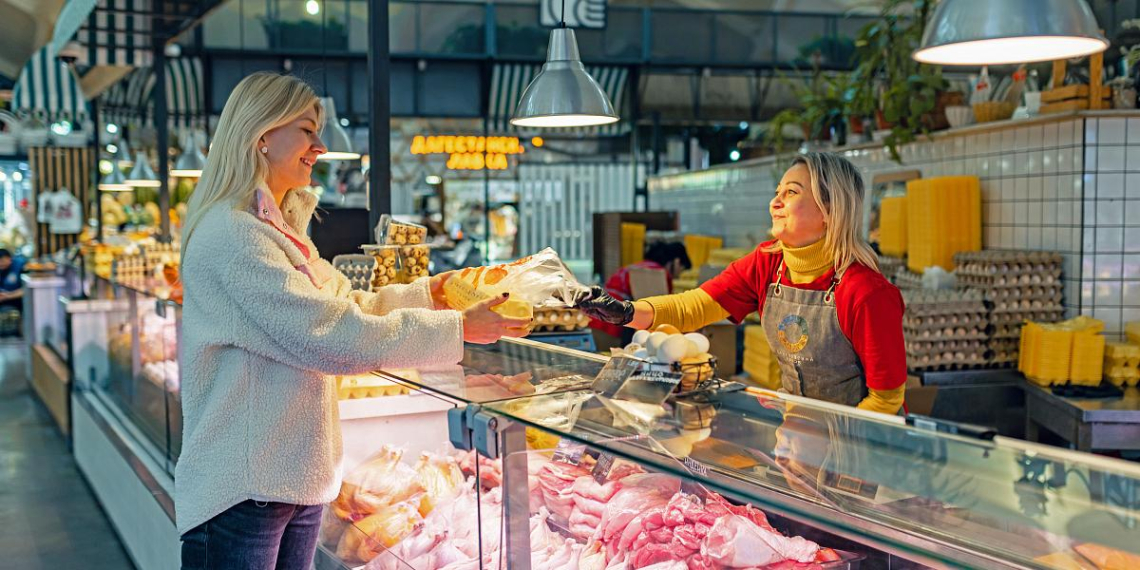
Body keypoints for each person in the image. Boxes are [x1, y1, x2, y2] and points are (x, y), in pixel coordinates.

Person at [176, 72, 530, 570]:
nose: (320, 146)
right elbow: (331, 337)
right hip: (244, 487)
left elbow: (345, 305)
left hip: (288, 480)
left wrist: (431, 293)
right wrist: (457, 330)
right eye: (306, 129)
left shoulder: (275, 226)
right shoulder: (234, 235)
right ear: (261, 136)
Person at [579, 152, 906, 414]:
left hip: (860, 456)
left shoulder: (866, 292)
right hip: (796, 443)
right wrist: (625, 312)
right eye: (777, 192)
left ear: (830, 209)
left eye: (791, 193)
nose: (775, 203)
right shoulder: (768, 263)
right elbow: (694, 306)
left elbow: (886, 402)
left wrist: (836, 454)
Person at [588, 241, 692, 343]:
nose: (678, 275)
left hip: (597, 318)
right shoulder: (657, 274)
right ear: (677, 262)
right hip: (612, 326)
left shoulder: (639, 266)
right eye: (681, 269)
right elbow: (660, 311)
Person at [0, 248, 25, 315]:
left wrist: (8, 295)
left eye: (2, 260)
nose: (0, 263)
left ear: (9, 258)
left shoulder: (21, 266)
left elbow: (26, 290)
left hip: (18, 303)